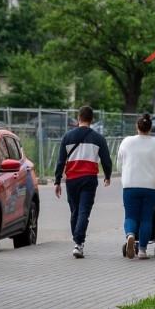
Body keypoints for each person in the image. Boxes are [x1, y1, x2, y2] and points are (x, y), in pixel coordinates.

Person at [53, 105, 113, 258]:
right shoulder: (98, 138)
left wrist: (57, 181)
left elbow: (61, 161)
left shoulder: (67, 137)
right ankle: (78, 243)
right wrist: (108, 175)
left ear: (78, 118)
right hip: (89, 179)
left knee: (75, 212)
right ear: (92, 119)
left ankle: (77, 241)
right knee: (83, 212)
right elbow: (106, 160)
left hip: (72, 180)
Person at [116, 113, 155, 260]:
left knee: (131, 215)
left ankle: (131, 235)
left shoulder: (126, 142)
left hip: (130, 185)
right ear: (150, 128)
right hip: (151, 186)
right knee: (146, 218)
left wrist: (125, 175)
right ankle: (142, 251)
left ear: (137, 127)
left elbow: (119, 164)